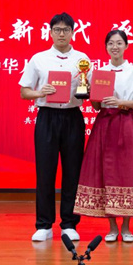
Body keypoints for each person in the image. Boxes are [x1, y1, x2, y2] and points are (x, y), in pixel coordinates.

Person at [74, 30, 133, 243]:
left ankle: (126, 227)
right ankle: (112, 227)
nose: (115, 47)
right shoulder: (99, 71)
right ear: (106, 47)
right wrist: (88, 89)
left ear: (126, 46)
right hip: (104, 124)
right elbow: (96, 105)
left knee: (127, 172)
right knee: (105, 172)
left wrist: (120, 103)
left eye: (119, 43)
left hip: (126, 123)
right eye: (110, 43)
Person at [19, 12, 90, 242]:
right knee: (45, 172)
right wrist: (40, 92)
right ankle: (44, 225)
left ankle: (69, 223)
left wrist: (89, 89)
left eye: (66, 30)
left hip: (72, 117)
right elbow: (24, 91)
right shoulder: (38, 59)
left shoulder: (82, 59)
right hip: (47, 118)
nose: (61, 34)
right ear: (50, 32)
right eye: (57, 30)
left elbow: (88, 90)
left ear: (72, 32)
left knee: (73, 172)